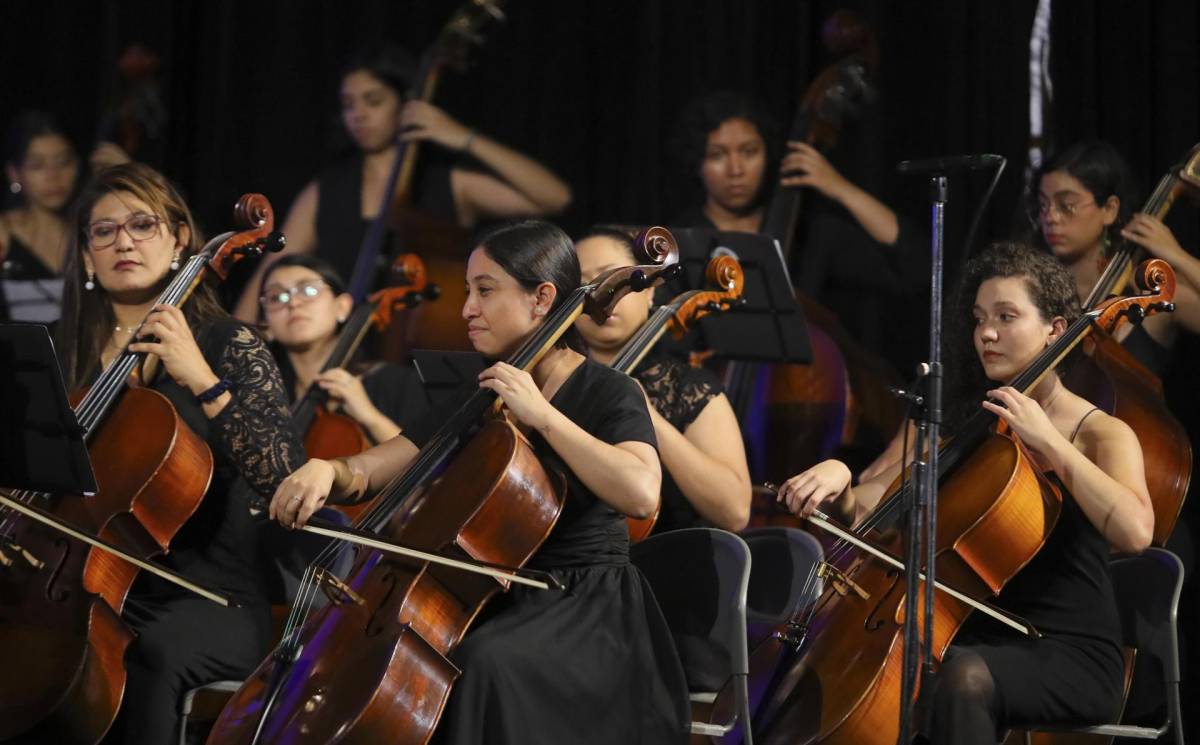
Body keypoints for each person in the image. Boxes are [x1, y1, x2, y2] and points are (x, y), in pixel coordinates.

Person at [268, 219, 688, 743]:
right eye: (469, 291)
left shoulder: (609, 391)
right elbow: (378, 467)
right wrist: (326, 470)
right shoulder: (482, 390)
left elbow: (641, 492)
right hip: (495, 597)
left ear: (542, 299)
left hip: (585, 609)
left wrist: (542, 416)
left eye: (484, 291)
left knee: (481, 662)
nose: (467, 308)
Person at [778, 241, 1153, 744]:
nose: (987, 334)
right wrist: (840, 481)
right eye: (978, 319)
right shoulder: (967, 426)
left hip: (1069, 651)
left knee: (962, 677)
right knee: (910, 669)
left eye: (1006, 316)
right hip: (966, 636)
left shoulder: (1101, 433)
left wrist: (1047, 440)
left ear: (1055, 330)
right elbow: (881, 514)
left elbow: (1135, 532)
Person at [53, 162, 304, 743]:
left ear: (179, 240)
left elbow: (285, 477)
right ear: (87, 257)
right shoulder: (68, 360)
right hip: (85, 584)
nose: (125, 242)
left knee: (142, 655)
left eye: (143, 224)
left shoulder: (227, 344)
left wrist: (202, 380)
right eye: (105, 231)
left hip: (207, 598)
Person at [233, 44, 572, 321]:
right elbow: (274, 268)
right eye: (349, 104)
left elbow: (553, 197)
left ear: (405, 104)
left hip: (422, 346)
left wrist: (461, 136)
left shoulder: (447, 182)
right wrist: (237, 342)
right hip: (341, 347)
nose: (358, 115)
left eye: (374, 100)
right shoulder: (326, 190)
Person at [573, 226, 751, 532]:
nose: (603, 293)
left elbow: (734, 512)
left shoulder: (687, 387)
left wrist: (646, 414)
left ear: (651, 287)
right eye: (586, 285)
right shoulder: (555, 379)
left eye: (617, 278)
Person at [1029, 139, 1200, 375]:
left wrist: (1176, 254)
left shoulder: (1152, 294)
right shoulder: (1032, 292)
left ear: (1109, 209)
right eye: (1044, 205)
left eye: (1066, 206)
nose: (1051, 217)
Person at [258, 253, 430, 445]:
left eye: (308, 290)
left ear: (342, 307)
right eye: (276, 297)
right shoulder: (263, 399)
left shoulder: (396, 384)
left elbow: (433, 468)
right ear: (266, 325)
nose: (293, 303)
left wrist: (370, 416)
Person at [1, 110, 80, 321]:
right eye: (37, 165)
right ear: (14, 174)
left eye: (63, 162)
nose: (53, 176)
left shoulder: (93, 231)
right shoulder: (4, 232)